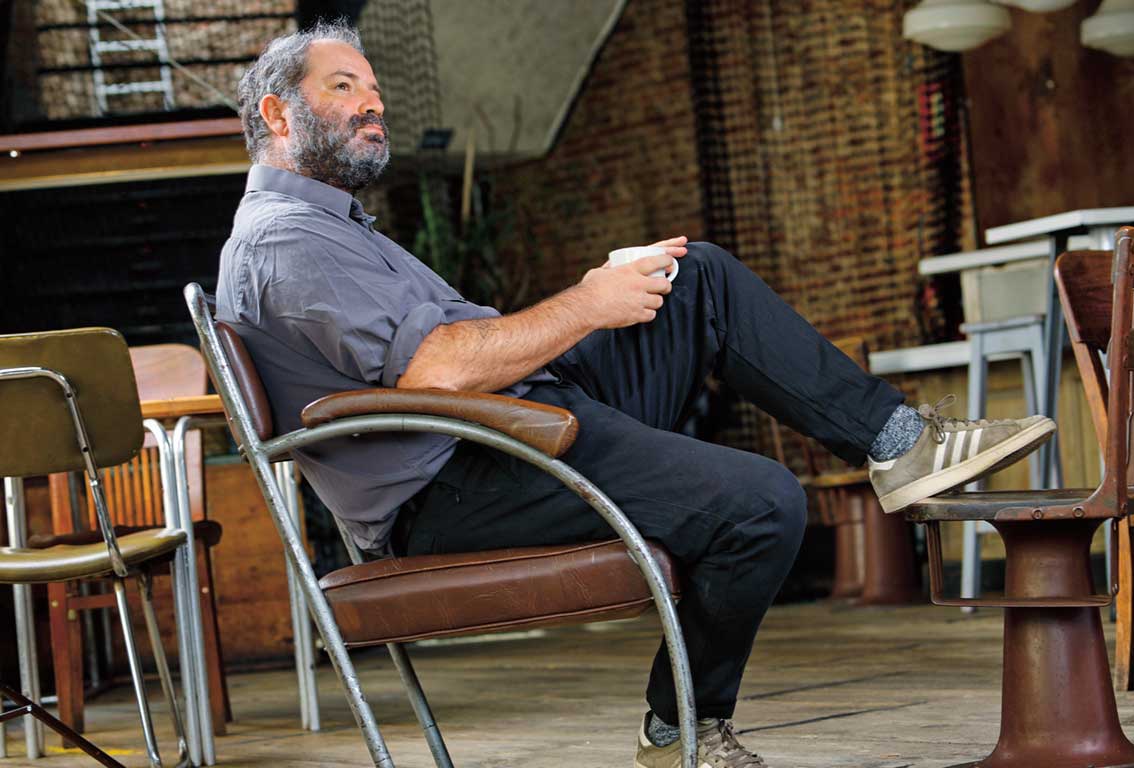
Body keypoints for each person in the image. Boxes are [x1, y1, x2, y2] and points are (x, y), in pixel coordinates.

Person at [218, 22, 1054, 768]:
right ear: (279, 115)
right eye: (344, 87)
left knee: (692, 280)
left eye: (372, 88)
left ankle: (900, 443)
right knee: (761, 503)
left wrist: (609, 291)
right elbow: (436, 370)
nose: (373, 104)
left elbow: (446, 363)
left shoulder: (326, 226)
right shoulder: (286, 241)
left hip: (503, 425)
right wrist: (590, 303)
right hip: (454, 480)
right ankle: (680, 730)